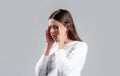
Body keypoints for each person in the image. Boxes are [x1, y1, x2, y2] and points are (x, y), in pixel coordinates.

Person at [35, 9, 88, 76]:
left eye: (56, 27)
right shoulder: (53, 46)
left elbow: (64, 72)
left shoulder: (80, 46)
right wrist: (48, 45)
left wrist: (60, 43)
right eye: (50, 27)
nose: (52, 31)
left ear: (68, 27)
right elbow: (39, 74)